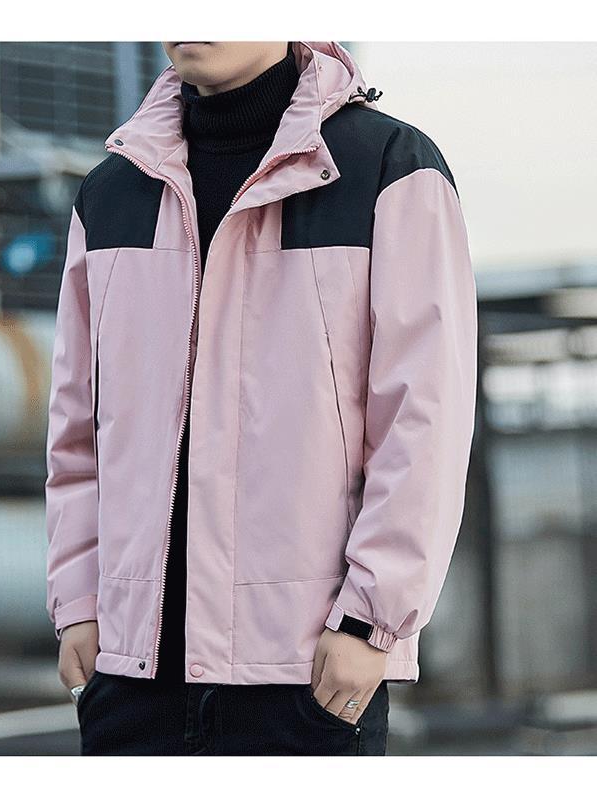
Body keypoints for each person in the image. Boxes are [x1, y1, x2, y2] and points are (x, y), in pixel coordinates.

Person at [44, 40, 478, 756]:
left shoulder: (387, 167)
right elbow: (76, 428)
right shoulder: (111, 192)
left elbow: (424, 419)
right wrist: (80, 606)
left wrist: (371, 622)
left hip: (304, 672)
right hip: (130, 678)